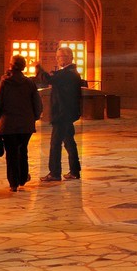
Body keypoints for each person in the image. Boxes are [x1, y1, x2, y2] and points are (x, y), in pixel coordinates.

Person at [0, 56, 41, 193]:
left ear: (10, 66)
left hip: (8, 124)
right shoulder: (29, 83)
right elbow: (37, 102)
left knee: (11, 153)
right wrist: (35, 116)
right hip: (25, 124)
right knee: (23, 150)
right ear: (23, 67)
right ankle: (22, 178)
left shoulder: (5, 82)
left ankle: (13, 183)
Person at [38, 46, 85, 182]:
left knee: (55, 144)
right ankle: (74, 171)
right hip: (66, 113)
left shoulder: (69, 73)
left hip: (62, 114)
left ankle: (55, 173)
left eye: (61, 56)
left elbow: (49, 79)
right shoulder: (69, 72)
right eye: (57, 57)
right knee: (69, 142)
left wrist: (38, 69)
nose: (58, 59)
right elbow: (55, 78)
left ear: (70, 57)